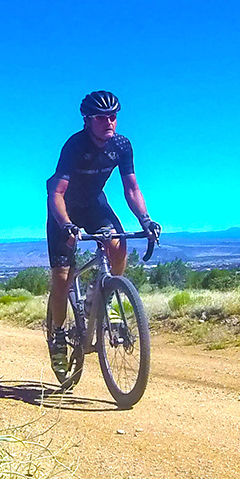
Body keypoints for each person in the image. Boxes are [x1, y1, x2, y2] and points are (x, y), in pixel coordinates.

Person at [46, 90, 160, 380]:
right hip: (65, 209)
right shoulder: (75, 146)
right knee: (62, 278)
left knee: (118, 245)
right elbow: (56, 192)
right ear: (87, 120)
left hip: (95, 204)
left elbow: (132, 189)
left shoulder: (121, 146)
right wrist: (66, 224)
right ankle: (58, 337)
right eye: (102, 117)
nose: (109, 122)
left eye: (113, 116)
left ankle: (103, 297)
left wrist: (145, 219)